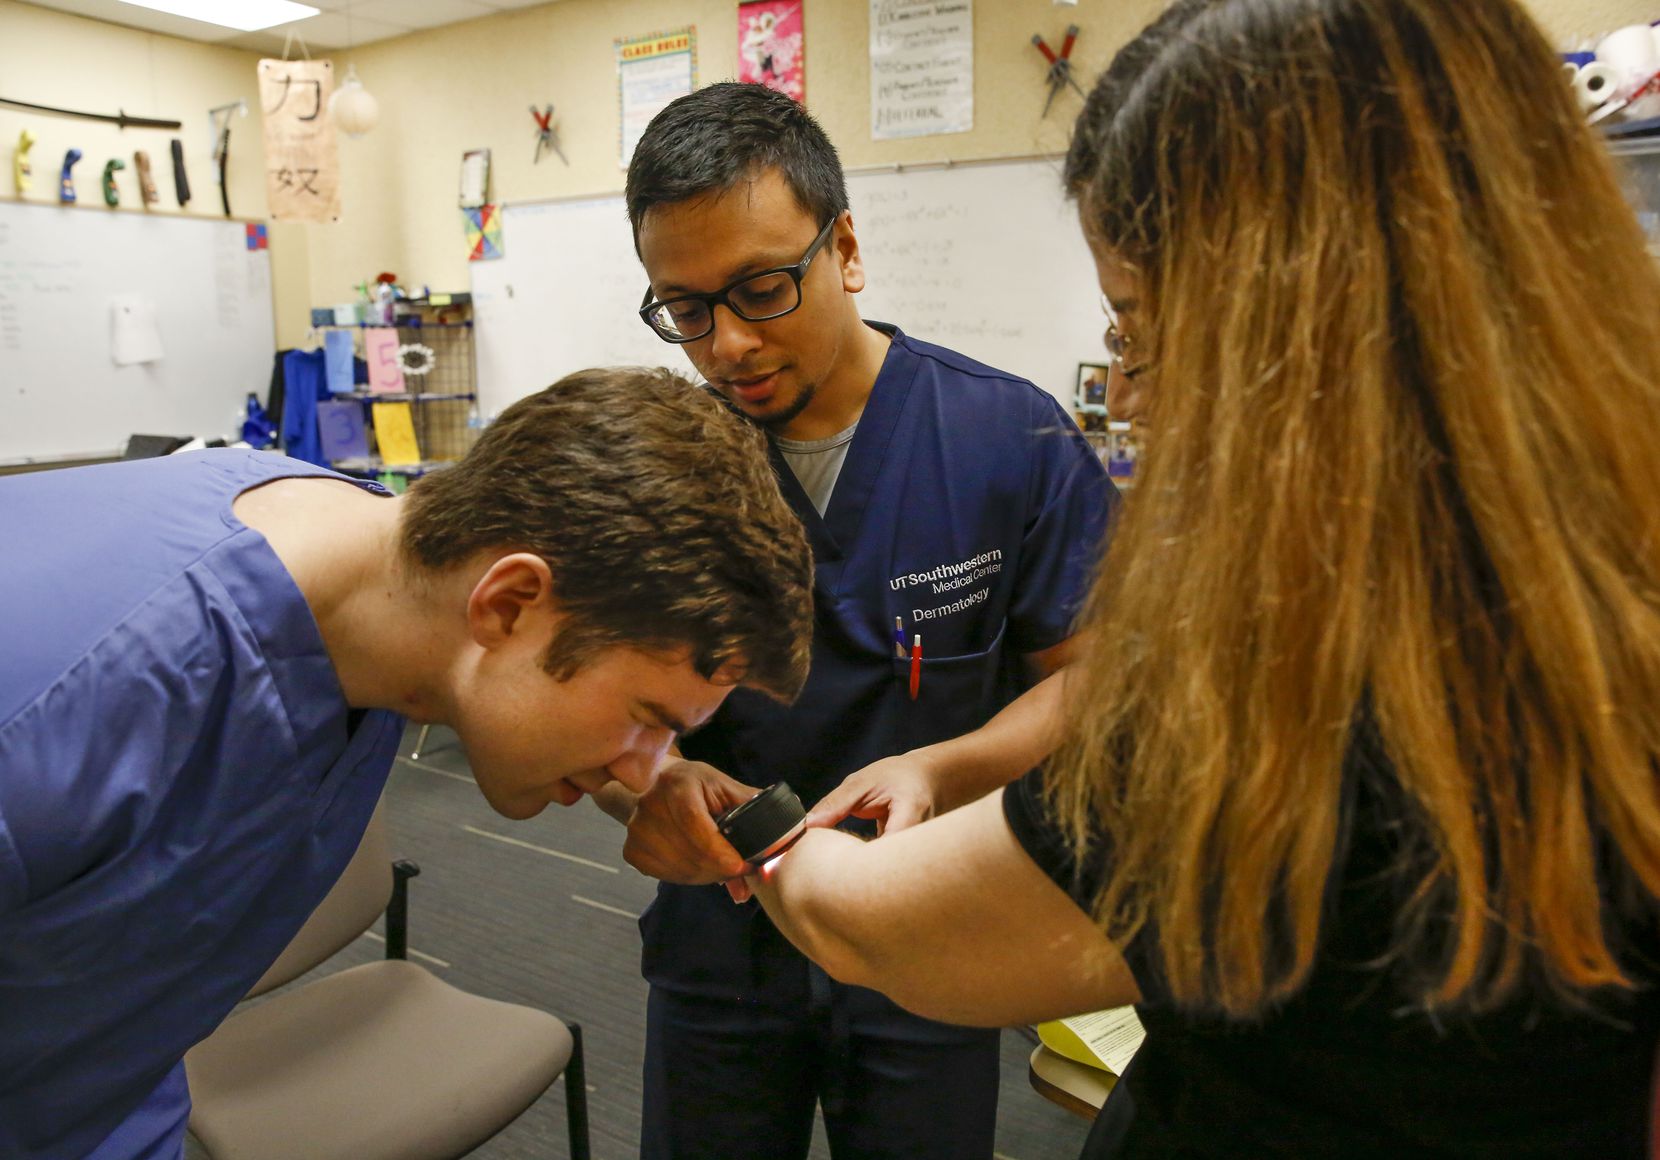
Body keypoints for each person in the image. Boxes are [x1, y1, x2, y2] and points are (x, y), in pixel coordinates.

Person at [746, 0, 1660, 1156]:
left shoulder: (1287, 689)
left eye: (1137, 328)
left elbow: (890, 931)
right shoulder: (1603, 578)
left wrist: (756, 830)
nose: (1124, 395)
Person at [0, 366, 813, 1160]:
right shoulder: (61, 714)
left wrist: (660, 769)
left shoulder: (388, 589)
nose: (642, 771)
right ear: (509, 603)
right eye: (647, 720)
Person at [602, 82, 1114, 1160]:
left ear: (844, 248)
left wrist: (945, 768)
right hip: (723, 943)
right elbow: (589, 707)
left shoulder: (1004, 435)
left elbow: (1094, 677)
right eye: (685, 309)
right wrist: (640, 783)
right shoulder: (655, 469)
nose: (727, 344)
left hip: (934, 926)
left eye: (760, 288)